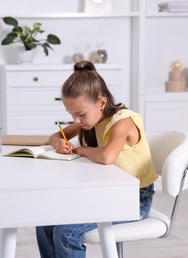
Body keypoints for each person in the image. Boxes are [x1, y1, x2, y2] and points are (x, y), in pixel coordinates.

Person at [35, 61, 158, 258]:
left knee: (66, 232)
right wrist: (59, 143)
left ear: (101, 102)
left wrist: (80, 149)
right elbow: (55, 136)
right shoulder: (90, 120)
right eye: (71, 114)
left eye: (80, 114)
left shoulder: (123, 120)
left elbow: (106, 156)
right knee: (45, 221)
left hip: (134, 199)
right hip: (106, 193)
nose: (76, 120)